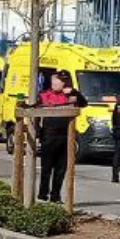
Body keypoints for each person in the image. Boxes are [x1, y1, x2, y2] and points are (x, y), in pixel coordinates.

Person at [32, 70, 87, 203]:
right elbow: (35, 111)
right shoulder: (44, 95)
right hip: (49, 134)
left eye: (61, 81)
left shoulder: (70, 96)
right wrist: (38, 133)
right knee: (46, 168)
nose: (58, 83)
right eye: (55, 81)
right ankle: (42, 194)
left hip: (65, 134)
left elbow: (83, 103)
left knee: (61, 168)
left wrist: (75, 93)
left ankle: (55, 196)